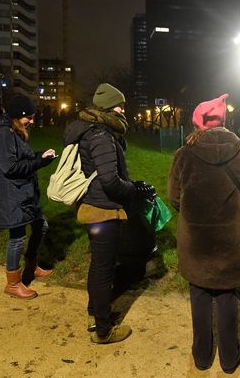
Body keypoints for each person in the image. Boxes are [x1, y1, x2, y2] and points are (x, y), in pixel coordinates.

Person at [63, 83, 153, 344]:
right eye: (120, 105)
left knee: (99, 266)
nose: (123, 109)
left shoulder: (93, 131)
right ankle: (103, 330)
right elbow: (110, 181)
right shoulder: (100, 135)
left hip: (93, 206)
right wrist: (133, 190)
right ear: (107, 107)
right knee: (104, 269)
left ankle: (97, 312)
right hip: (103, 209)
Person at [168, 93, 240, 374]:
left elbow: (174, 197)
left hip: (196, 240)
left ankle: (202, 355)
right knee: (227, 294)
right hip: (230, 239)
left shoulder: (184, 154)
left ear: (197, 122)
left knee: (200, 293)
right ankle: (229, 358)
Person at [0, 95, 56, 299]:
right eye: (29, 117)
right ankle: (13, 283)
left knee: (40, 226)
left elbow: (21, 158)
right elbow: (10, 168)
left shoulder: (14, 131)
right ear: (17, 116)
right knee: (17, 237)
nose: (32, 121)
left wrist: (40, 156)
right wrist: (39, 163)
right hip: (12, 194)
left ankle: (31, 266)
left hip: (24, 192)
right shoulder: (3, 134)